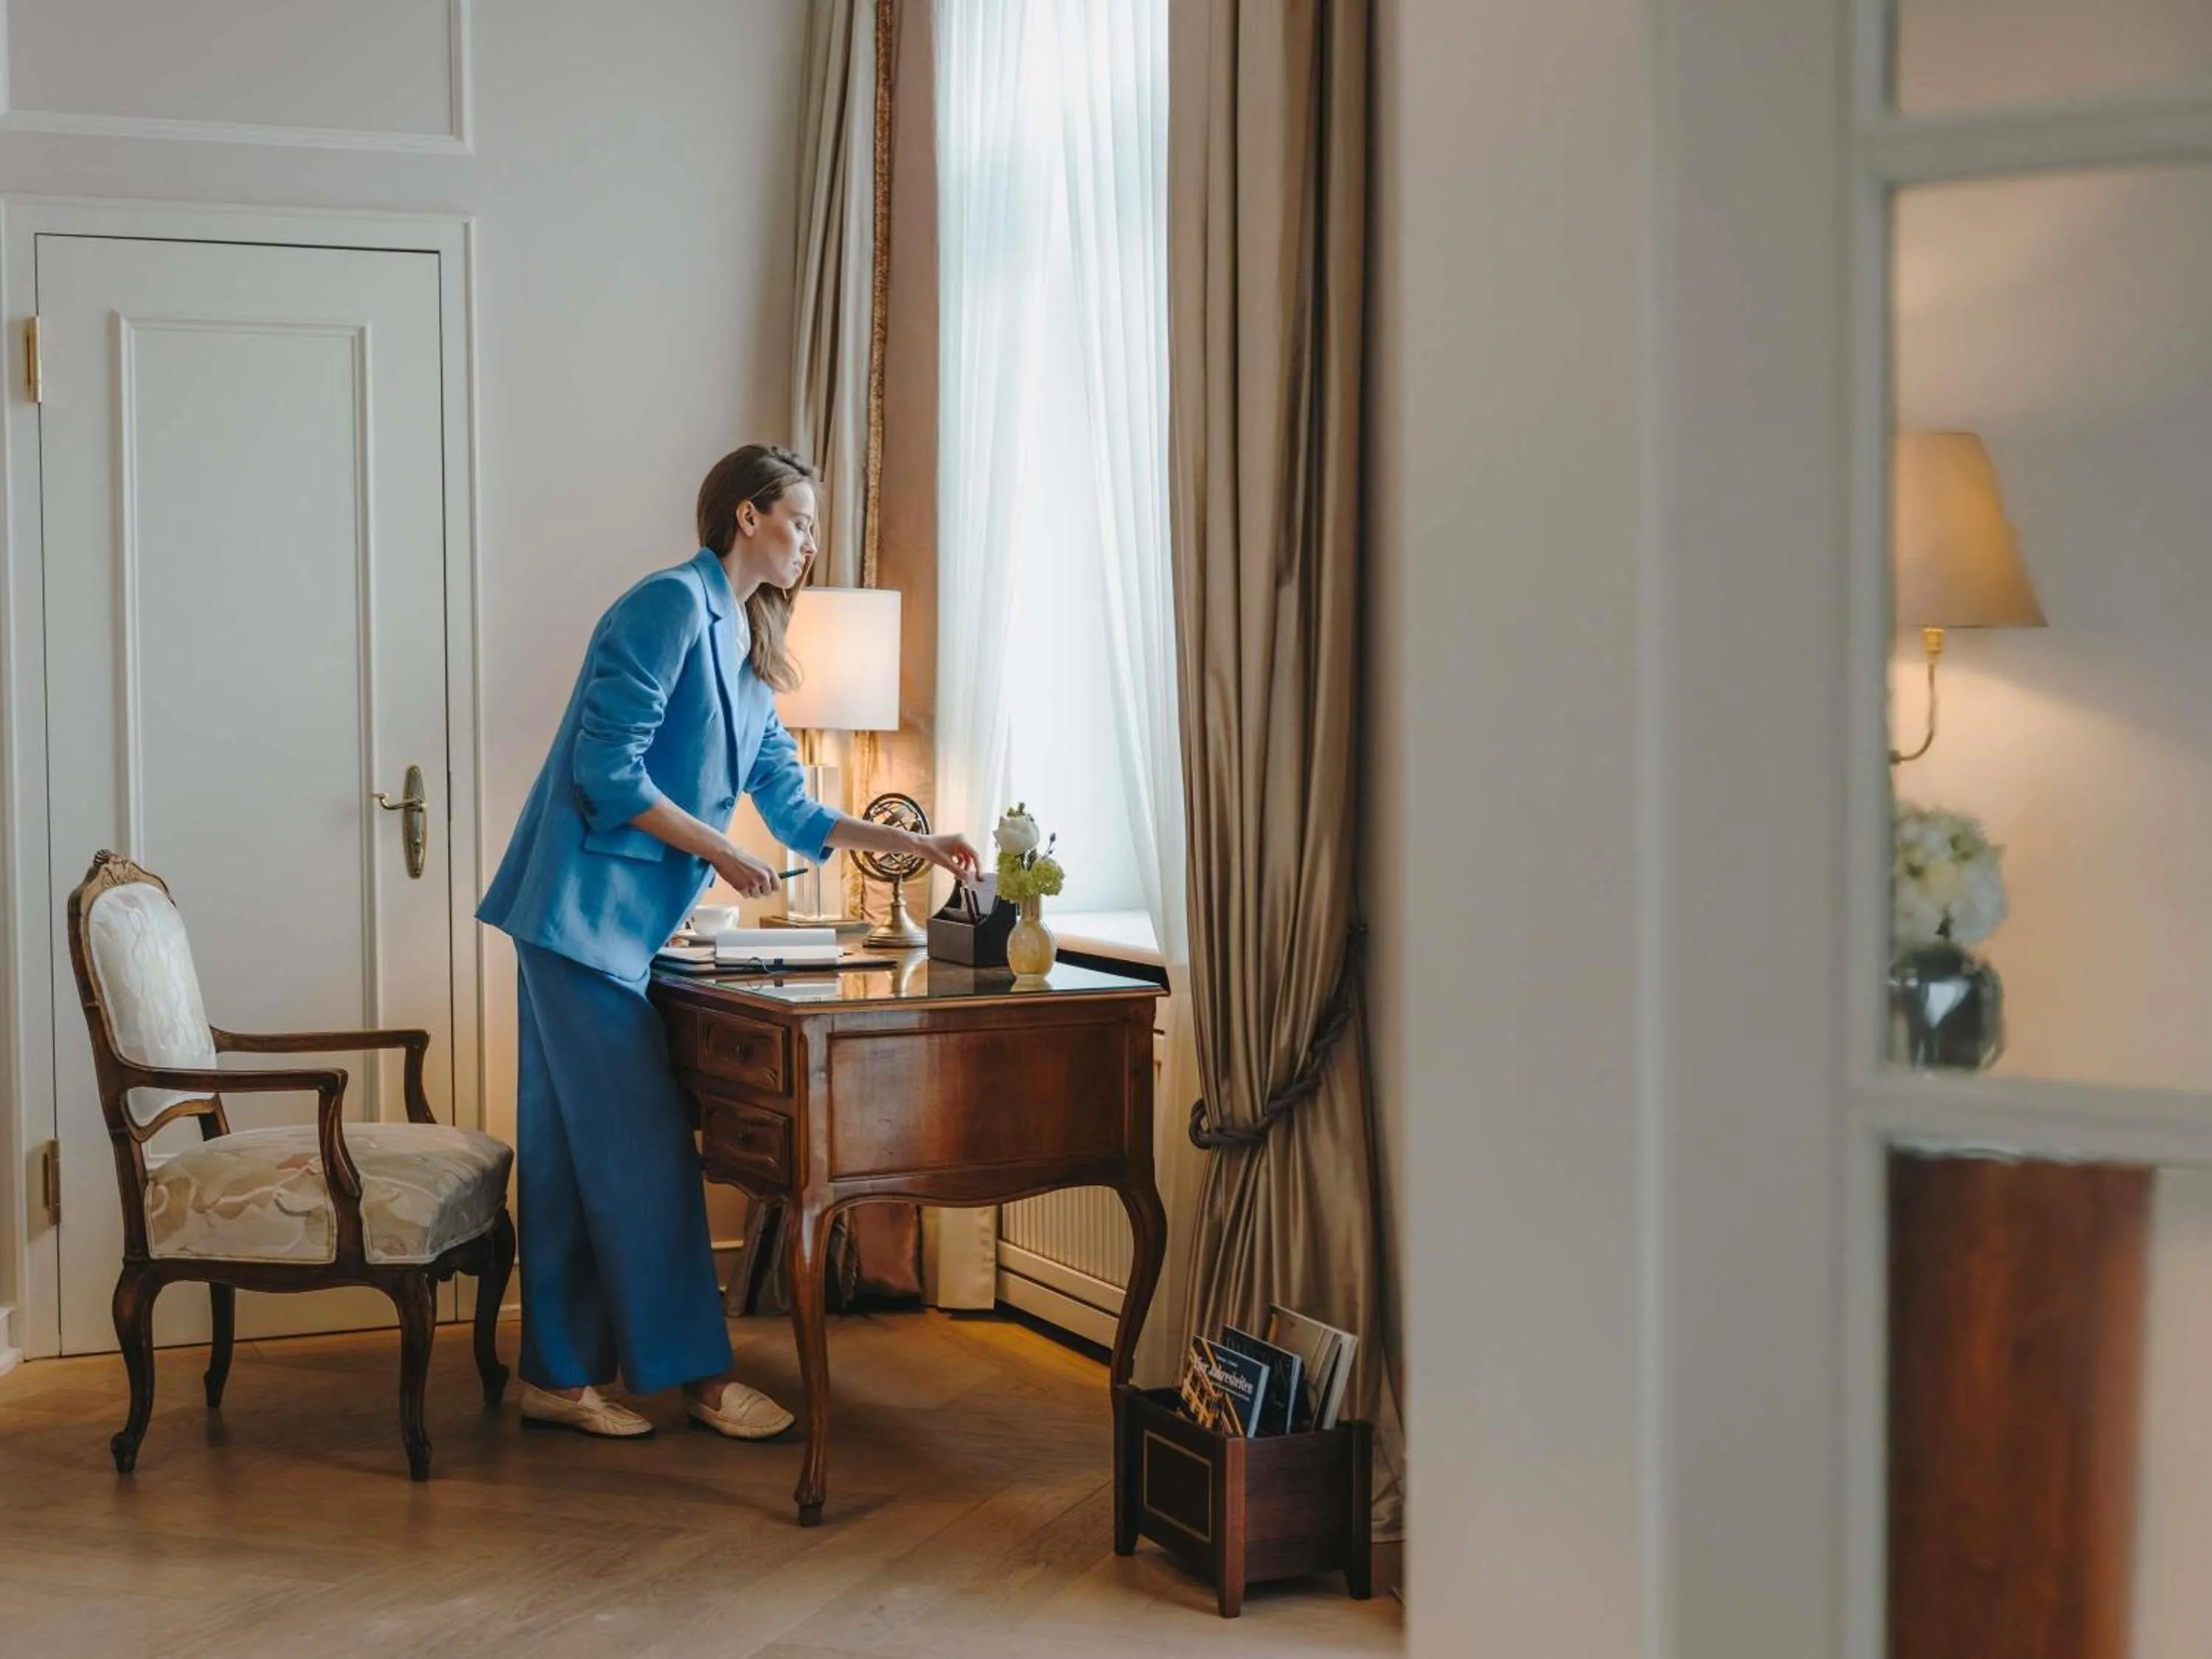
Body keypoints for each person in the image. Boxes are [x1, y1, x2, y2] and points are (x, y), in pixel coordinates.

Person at [477, 443, 979, 1439]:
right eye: (797, 523)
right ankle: (701, 1379)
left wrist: (916, 840)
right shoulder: (667, 606)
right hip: (579, 916)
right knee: (645, 1146)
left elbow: (793, 813)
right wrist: (720, 852)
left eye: (813, 531)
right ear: (745, 517)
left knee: (577, 1152)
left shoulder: (750, 650)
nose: (808, 546)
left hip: (606, 927)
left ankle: (556, 1375)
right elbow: (606, 770)